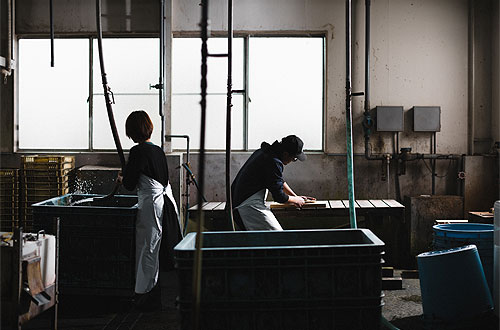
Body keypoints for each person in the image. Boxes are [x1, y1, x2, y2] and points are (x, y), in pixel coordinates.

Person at [117, 110, 182, 305]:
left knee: (148, 247)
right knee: (156, 247)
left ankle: (145, 294)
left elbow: (129, 184)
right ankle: (153, 291)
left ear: (132, 132)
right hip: (165, 202)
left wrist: (121, 178)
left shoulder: (138, 152)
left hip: (151, 205)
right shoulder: (157, 150)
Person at [231, 135, 315, 230]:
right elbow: (279, 197)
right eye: (294, 158)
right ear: (286, 154)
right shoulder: (273, 162)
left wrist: (295, 197)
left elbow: (277, 181)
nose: (292, 161)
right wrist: (296, 200)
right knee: (277, 237)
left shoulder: (265, 153)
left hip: (240, 202)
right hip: (247, 206)